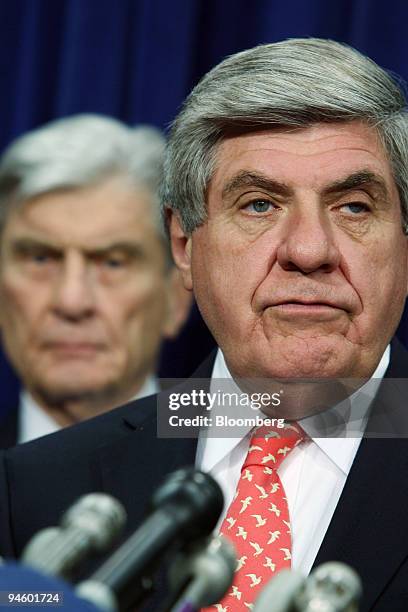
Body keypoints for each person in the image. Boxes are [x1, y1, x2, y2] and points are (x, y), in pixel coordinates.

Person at [0, 39, 408, 611]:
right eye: (259, 204)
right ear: (185, 243)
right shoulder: (35, 489)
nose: (311, 250)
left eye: (355, 207)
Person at [0, 114, 190, 446]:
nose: (71, 301)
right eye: (40, 259)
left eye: (113, 263)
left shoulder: (235, 473)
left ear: (175, 298)